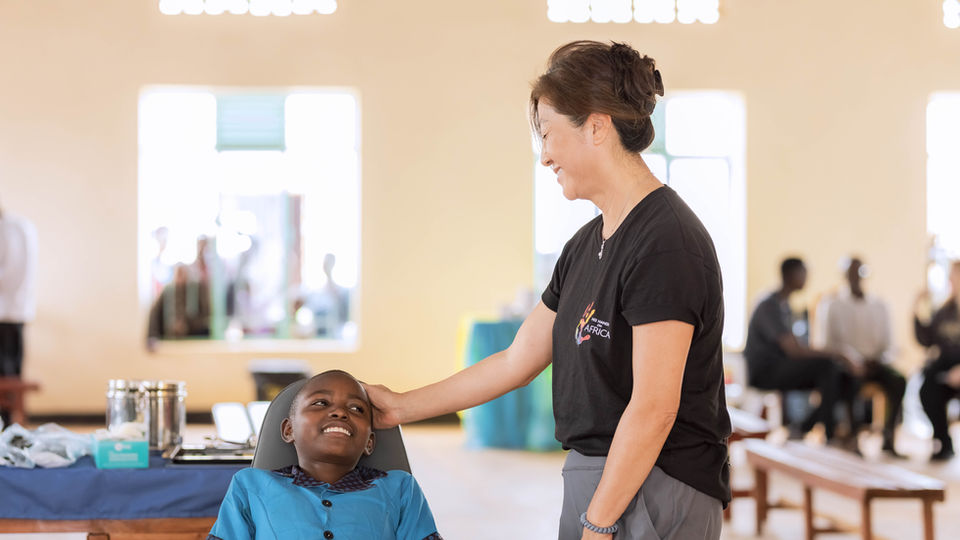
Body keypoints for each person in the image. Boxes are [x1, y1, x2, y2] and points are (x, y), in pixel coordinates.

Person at [365, 41, 729, 539]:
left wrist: (599, 524)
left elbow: (654, 407)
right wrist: (402, 406)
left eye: (548, 133)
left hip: (654, 485)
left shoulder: (666, 241)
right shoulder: (585, 245)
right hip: (598, 478)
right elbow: (517, 360)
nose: (544, 156)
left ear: (596, 126)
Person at [208, 370, 442, 540]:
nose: (340, 412)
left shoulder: (400, 488)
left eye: (356, 408)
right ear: (289, 430)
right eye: (321, 403)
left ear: (369, 442)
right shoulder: (250, 486)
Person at [744, 258, 857, 447]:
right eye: (804, 273)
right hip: (765, 371)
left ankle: (807, 428)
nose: (807, 278)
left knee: (843, 376)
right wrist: (838, 353)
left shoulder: (785, 305)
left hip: (781, 366)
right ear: (791, 275)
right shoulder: (769, 305)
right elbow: (794, 351)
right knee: (828, 366)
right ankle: (827, 435)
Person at [818, 257, 906, 457]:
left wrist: (880, 359)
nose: (855, 277)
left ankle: (889, 436)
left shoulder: (880, 305)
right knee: (850, 381)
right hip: (847, 365)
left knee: (898, 380)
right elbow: (827, 345)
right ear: (844, 275)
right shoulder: (833, 305)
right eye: (851, 272)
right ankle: (853, 436)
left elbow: (889, 344)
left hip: (875, 363)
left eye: (859, 272)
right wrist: (851, 360)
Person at [915, 261, 960, 461]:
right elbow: (927, 339)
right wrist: (916, 308)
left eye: (955, 275)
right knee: (927, 388)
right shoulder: (945, 311)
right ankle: (943, 440)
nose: (951, 280)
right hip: (947, 368)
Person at [0, 205, 38, 426]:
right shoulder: (19, 226)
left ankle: (8, 428)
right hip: (12, 313)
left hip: (8, 315)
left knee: (9, 376)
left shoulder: (14, 228)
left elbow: (11, 273)